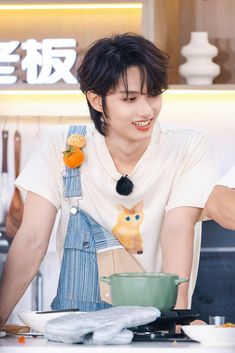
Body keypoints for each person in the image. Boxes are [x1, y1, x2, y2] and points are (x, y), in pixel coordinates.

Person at [0, 33, 218, 326]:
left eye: (153, 94)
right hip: (75, 336)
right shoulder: (62, 145)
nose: (146, 110)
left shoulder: (189, 148)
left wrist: (176, 321)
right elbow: (31, 240)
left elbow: (178, 228)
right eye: (130, 98)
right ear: (96, 99)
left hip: (154, 330)